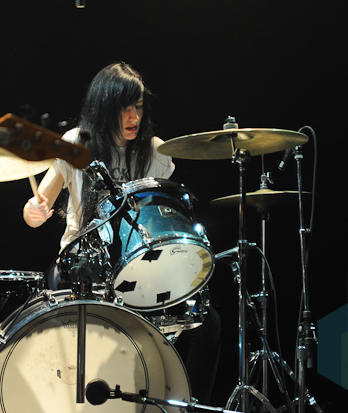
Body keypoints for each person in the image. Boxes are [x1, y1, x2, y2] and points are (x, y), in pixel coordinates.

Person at [23, 62, 220, 404]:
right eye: (124, 109)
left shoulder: (156, 151)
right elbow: (38, 206)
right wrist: (33, 211)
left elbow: (161, 218)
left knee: (207, 321)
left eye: (139, 107)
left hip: (139, 267)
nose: (134, 117)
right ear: (104, 108)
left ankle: (186, 407)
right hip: (81, 266)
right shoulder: (76, 143)